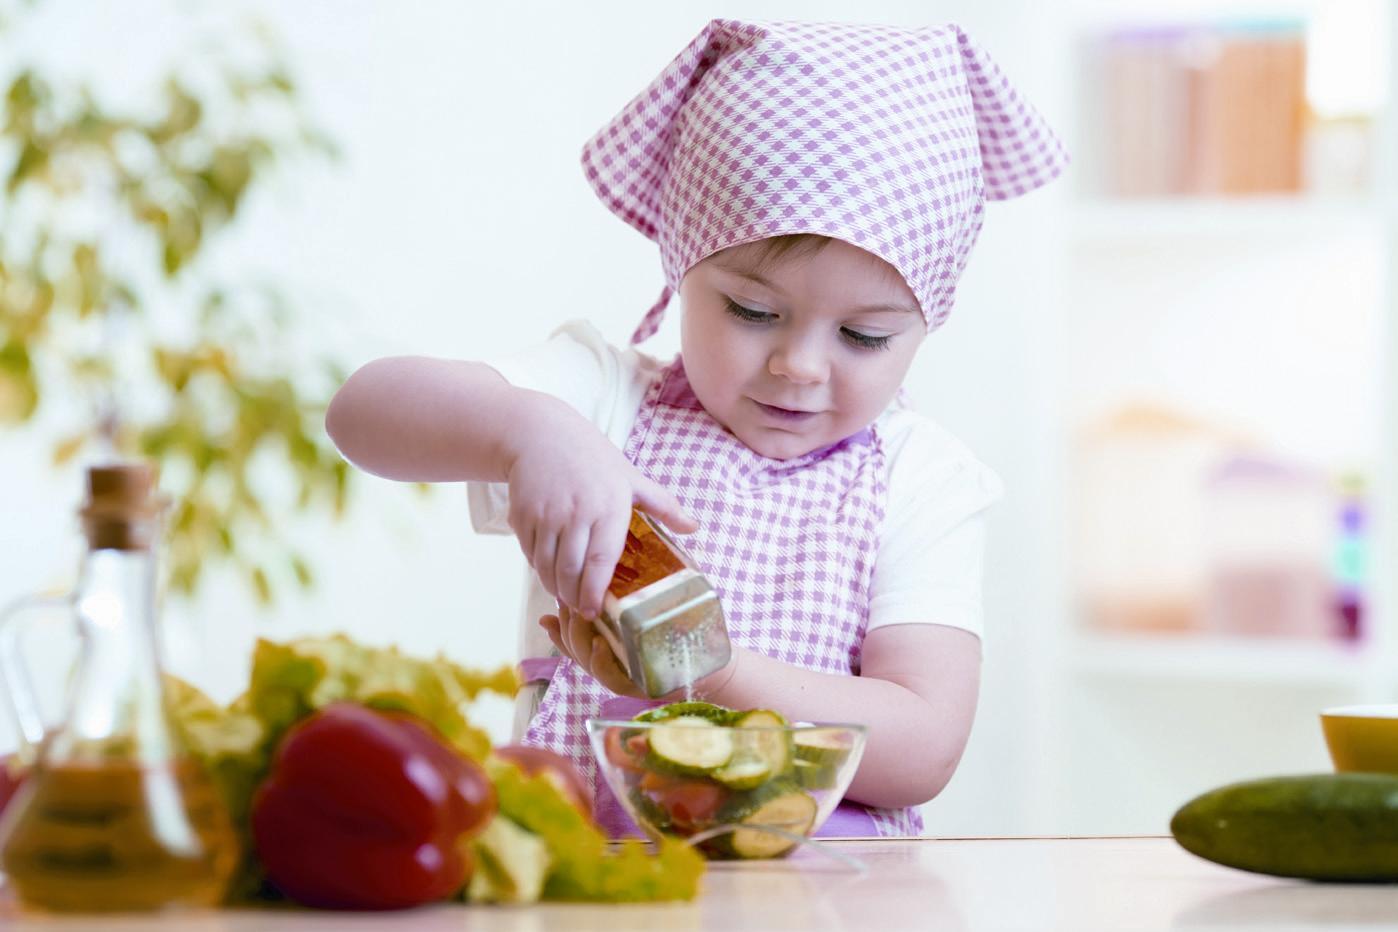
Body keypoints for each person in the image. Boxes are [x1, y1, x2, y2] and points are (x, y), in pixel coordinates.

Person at [325, 17, 1066, 837]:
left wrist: (708, 668)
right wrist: (525, 431)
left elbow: (923, 748)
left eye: (864, 336)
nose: (801, 365)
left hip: (831, 900)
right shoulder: (599, 402)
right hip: (592, 887)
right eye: (752, 311)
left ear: (926, 325)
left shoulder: (922, 480)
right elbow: (360, 412)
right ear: (683, 265)